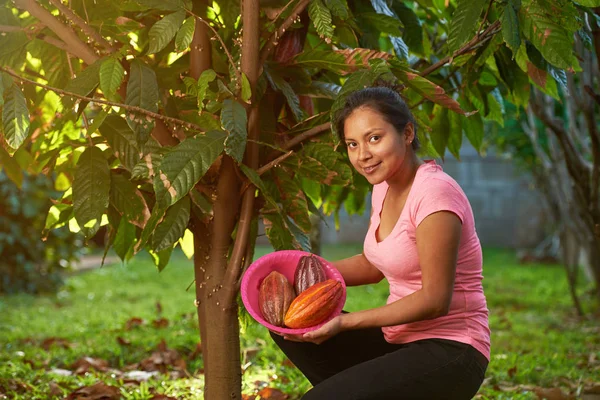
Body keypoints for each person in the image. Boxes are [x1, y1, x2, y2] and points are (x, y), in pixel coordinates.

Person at [269, 84, 491, 400]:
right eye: (352, 144)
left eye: (375, 138)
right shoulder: (384, 186)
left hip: (452, 349)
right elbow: (374, 264)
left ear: (408, 133)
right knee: (288, 327)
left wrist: (344, 324)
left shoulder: (435, 195)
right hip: (399, 340)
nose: (363, 155)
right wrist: (295, 274)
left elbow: (434, 300)